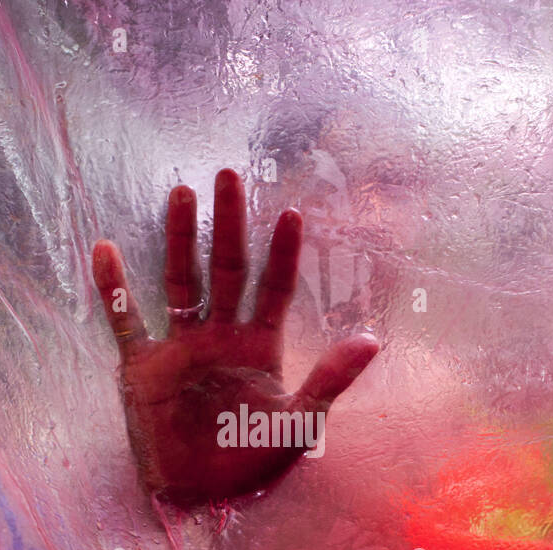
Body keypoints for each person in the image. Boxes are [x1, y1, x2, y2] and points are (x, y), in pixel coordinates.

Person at [91, 168, 379, 505]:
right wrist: (176, 481)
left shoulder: (429, 409)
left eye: (396, 183)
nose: (369, 215)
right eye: (329, 187)